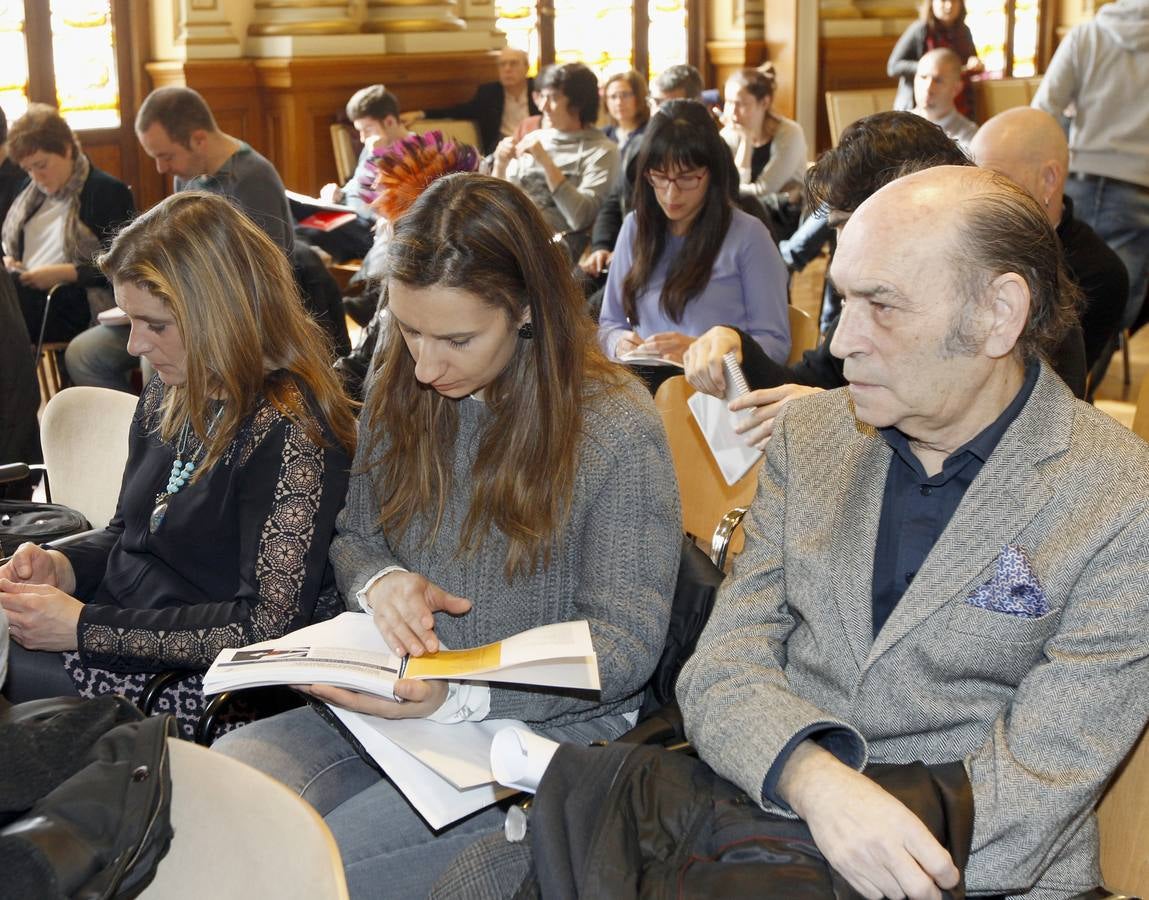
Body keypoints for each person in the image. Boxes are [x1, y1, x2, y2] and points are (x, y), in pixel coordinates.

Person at [679, 164, 1149, 899]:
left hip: (978, 873)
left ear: (998, 314)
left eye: (883, 305)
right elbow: (723, 666)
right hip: (773, 829)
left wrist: (848, 851)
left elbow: (1034, 790)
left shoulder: (1120, 501)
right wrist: (813, 785)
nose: (841, 346)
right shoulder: (811, 437)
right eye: (842, 302)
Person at [214, 172, 680, 897]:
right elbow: (354, 534)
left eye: (457, 338)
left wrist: (460, 693)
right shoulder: (404, 374)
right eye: (407, 328)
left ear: (526, 308)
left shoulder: (614, 425)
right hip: (400, 708)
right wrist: (380, 583)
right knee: (218, 809)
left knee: (312, 868)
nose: (426, 365)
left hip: (534, 732)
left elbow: (623, 646)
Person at [0, 191, 356, 740]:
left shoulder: (293, 429)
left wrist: (82, 628)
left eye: (156, 325)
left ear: (223, 313)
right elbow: (129, 533)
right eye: (131, 321)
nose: (137, 344)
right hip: (126, 633)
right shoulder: (170, 393)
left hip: (201, 684)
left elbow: (267, 625)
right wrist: (62, 567)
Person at [683, 111, 1088, 447]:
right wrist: (736, 345)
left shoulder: (1028, 316)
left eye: (849, 225)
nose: (844, 248)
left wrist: (830, 415)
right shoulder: (866, 288)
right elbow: (813, 380)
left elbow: (1014, 459)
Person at [67, 85, 296, 392]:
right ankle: (138, 430)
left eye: (166, 156)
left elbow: (263, 275)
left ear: (199, 138)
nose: (161, 168)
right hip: (174, 307)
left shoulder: (252, 177)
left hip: (224, 317)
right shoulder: (186, 176)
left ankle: (171, 432)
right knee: (84, 354)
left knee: (155, 358)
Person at [599, 100, 790, 366]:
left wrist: (704, 350)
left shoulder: (748, 236)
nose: (671, 193)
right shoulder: (635, 226)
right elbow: (609, 323)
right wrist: (618, 342)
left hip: (716, 396)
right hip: (649, 388)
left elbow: (776, 344)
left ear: (712, 174)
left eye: (687, 178)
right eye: (660, 176)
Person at [971, 107, 1127, 388]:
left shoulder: (1098, 272)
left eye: (995, 179)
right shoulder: (970, 235)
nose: (977, 195)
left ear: (1049, 180)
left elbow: (1053, 382)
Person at [1032, 0, 1149, 337]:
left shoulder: (1086, 35)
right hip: (1138, 190)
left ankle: (1054, 387)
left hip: (1077, 182)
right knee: (1111, 314)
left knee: (1051, 304)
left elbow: (1043, 108)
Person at [1, 104, 135, 345]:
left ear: (66, 149)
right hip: (30, 295)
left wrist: (66, 273)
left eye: (41, 165)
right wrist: (10, 263)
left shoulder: (105, 191)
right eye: (28, 169)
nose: (36, 176)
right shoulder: (28, 193)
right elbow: (11, 247)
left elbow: (127, 264)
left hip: (77, 298)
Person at [581, 65, 705, 287]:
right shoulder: (640, 146)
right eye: (657, 103)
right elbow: (612, 201)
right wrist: (601, 246)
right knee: (565, 292)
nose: (661, 113)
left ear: (694, 105)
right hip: (623, 253)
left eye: (671, 104)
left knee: (591, 312)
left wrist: (627, 254)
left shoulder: (709, 152)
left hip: (666, 266)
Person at [492, 62, 619, 260]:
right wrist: (500, 165)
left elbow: (580, 218)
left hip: (555, 250)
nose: (543, 106)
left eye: (553, 98)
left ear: (578, 103)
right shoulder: (533, 139)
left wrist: (547, 163)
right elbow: (497, 204)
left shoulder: (602, 151)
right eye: (542, 96)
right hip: (508, 237)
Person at [720, 65, 808, 229]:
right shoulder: (729, 134)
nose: (732, 112)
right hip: (745, 214)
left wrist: (731, 192)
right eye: (728, 102)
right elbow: (732, 187)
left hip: (783, 216)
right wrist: (746, 140)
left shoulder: (790, 134)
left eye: (741, 104)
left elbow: (763, 190)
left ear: (765, 102)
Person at [408, 47, 538, 156]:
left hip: (536, 147)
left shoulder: (540, 91)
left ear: (526, 67)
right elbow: (458, 111)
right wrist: (421, 114)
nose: (507, 69)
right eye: (502, 64)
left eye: (513, 63)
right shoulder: (489, 93)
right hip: (502, 150)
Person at [318, 84, 412, 223]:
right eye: (359, 130)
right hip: (347, 211)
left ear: (390, 122)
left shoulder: (415, 152)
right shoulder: (372, 146)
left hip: (371, 225)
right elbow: (358, 182)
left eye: (367, 129)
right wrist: (339, 192)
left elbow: (388, 201)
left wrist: (378, 156)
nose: (362, 138)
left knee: (307, 233)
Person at [889, 0, 983, 118]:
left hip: (956, 108)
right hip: (919, 108)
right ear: (932, 3)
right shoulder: (920, 29)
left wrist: (975, 64)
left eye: (954, 1)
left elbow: (970, 62)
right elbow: (893, 67)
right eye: (943, 1)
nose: (949, 6)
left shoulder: (964, 31)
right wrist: (927, 70)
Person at [911, 48, 978, 150]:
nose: (928, 88)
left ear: (956, 88)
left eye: (938, 81)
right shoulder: (896, 125)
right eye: (923, 77)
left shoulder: (969, 137)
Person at [601, 70, 650, 150]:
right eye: (613, 96)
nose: (619, 102)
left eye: (625, 95)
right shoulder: (603, 135)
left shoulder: (651, 135)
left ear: (639, 96)